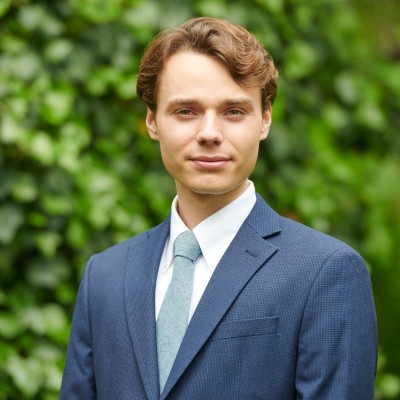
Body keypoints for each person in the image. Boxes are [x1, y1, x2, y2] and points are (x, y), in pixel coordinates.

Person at [60, 17, 377, 400]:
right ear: (152, 121)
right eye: (186, 111)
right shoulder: (104, 277)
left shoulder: (325, 273)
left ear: (265, 120)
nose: (209, 133)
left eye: (233, 111)